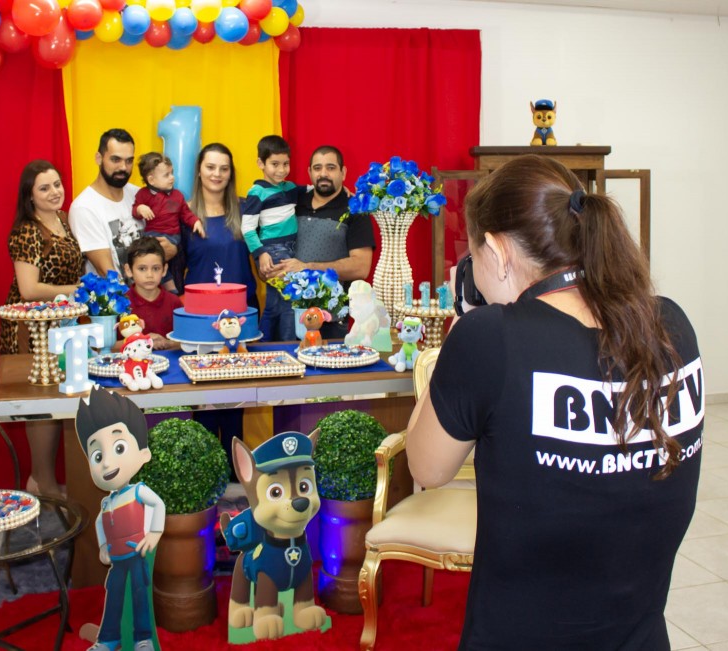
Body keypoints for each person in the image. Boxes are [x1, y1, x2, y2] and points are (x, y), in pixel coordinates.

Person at [406, 154, 703, 649]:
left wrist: (456, 335)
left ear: (497, 250)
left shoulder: (490, 339)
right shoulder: (671, 325)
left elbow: (426, 468)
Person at [0, 159, 84, 498]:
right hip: (32, 329)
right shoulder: (27, 231)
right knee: (41, 405)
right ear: (30, 196)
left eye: (57, 184)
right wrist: (77, 290)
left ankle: (43, 479)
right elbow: (29, 288)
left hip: (62, 324)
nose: (54, 192)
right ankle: (43, 482)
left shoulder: (63, 219)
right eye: (44, 188)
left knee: (60, 402)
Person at [183, 143, 257, 477]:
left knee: (235, 405)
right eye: (210, 167)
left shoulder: (245, 210)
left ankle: (234, 479)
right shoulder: (184, 214)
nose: (217, 174)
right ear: (199, 170)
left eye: (224, 168)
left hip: (242, 318)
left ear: (231, 173)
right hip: (200, 322)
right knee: (204, 405)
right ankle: (203, 477)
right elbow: (173, 270)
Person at [76, 387, 165, 651]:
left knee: (139, 594)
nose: (106, 463)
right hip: (116, 560)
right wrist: (103, 546)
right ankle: (107, 638)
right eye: (97, 456)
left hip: (136, 555)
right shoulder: (107, 503)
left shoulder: (138, 491)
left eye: (119, 447)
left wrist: (154, 533)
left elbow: (158, 504)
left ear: (143, 453)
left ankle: (143, 638)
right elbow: (99, 524)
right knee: (114, 595)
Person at [272, 145, 375, 339]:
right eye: (317, 168)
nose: (323, 174)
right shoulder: (292, 203)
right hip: (287, 315)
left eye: (331, 167)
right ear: (309, 173)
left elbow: (361, 267)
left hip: (331, 319)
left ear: (343, 173)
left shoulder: (355, 210)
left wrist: (307, 267)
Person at [69, 128, 175, 278]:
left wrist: (173, 248)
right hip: (118, 293)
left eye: (129, 161)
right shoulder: (84, 207)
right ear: (99, 158)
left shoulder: (139, 194)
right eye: (115, 160)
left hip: (151, 290)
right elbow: (107, 273)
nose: (123, 167)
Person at [242, 135, 300, 341]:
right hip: (273, 250)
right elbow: (247, 228)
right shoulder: (257, 192)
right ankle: (287, 344)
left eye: (285, 164)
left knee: (276, 303)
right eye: (275, 164)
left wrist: (342, 190)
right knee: (290, 302)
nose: (281, 170)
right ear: (261, 163)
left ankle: (264, 343)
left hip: (291, 248)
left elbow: (313, 192)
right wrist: (261, 253)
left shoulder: (289, 188)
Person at [132, 152, 205, 292]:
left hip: (172, 235)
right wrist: (140, 208)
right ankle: (166, 285)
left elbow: (186, 213)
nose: (172, 177)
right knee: (151, 259)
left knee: (158, 259)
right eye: (166, 175)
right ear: (151, 180)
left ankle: (170, 286)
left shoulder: (177, 195)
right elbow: (134, 210)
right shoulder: (143, 194)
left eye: (172, 173)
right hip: (152, 235)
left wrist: (195, 222)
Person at [122, 236, 182, 351]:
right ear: (129, 270)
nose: (149, 275)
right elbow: (110, 346)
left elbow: (185, 341)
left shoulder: (174, 302)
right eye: (142, 269)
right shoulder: (121, 304)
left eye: (155, 268)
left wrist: (167, 343)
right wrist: (142, 341)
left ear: (164, 270)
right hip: (130, 362)